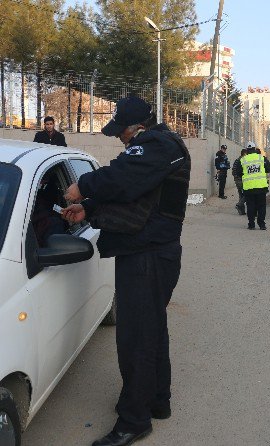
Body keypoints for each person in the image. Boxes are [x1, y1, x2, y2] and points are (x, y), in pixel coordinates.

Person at [61, 96, 190, 446]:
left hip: (148, 255)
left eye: (122, 132)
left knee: (136, 338)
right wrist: (87, 208)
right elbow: (135, 196)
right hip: (148, 251)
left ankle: (134, 420)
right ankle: (157, 402)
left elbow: (123, 179)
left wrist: (83, 187)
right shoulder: (157, 148)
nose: (121, 139)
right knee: (151, 331)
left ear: (139, 128)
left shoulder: (158, 145)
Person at [232, 141, 270, 230]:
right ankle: (262, 224)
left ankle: (251, 224)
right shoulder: (261, 158)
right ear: (254, 149)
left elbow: (238, 172)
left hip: (249, 187)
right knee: (261, 206)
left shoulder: (243, 160)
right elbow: (269, 168)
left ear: (247, 150)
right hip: (261, 186)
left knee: (250, 206)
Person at [232, 148, 247, 215]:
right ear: (244, 154)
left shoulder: (237, 160)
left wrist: (235, 178)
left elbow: (233, 171)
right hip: (241, 180)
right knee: (247, 194)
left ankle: (242, 211)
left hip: (236, 180)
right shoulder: (243, 160)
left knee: (241, 195)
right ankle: (239, 205)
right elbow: (242, 172)